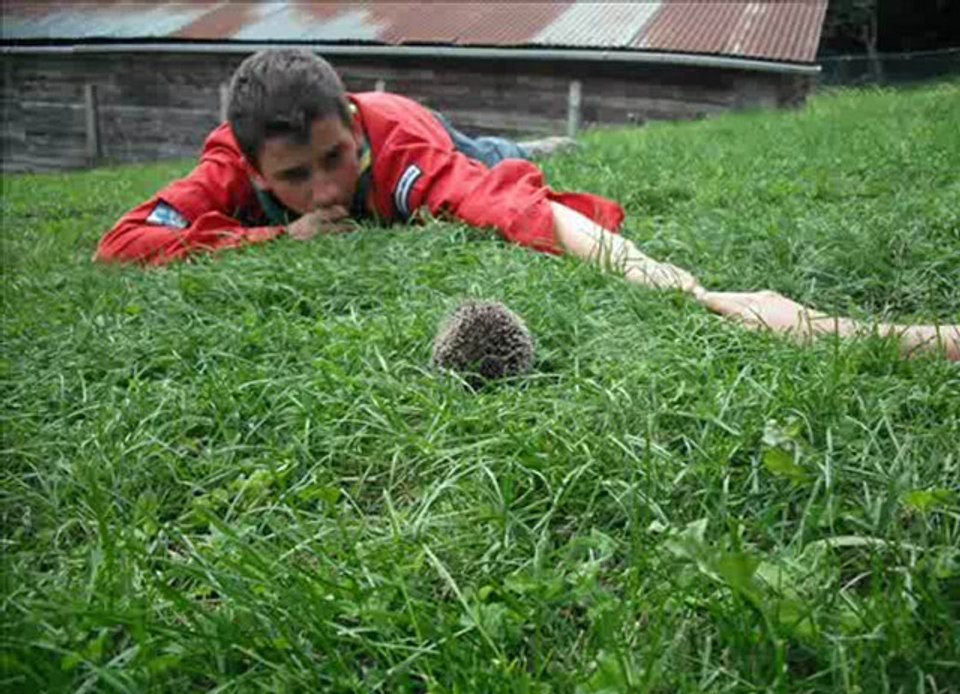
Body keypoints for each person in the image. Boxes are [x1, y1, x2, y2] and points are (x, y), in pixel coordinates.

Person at [95, 49, 959, 362]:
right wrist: (276, 242)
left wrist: (695, 292)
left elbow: (515, 213)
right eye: (296, 178)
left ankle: (545, 143)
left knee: (513, 162)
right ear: (250, 168)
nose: (327, 189)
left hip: (462, 149)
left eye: (336, 158)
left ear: (354, 121)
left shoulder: (398, 153)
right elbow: (122, 243)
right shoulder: (227, 172)